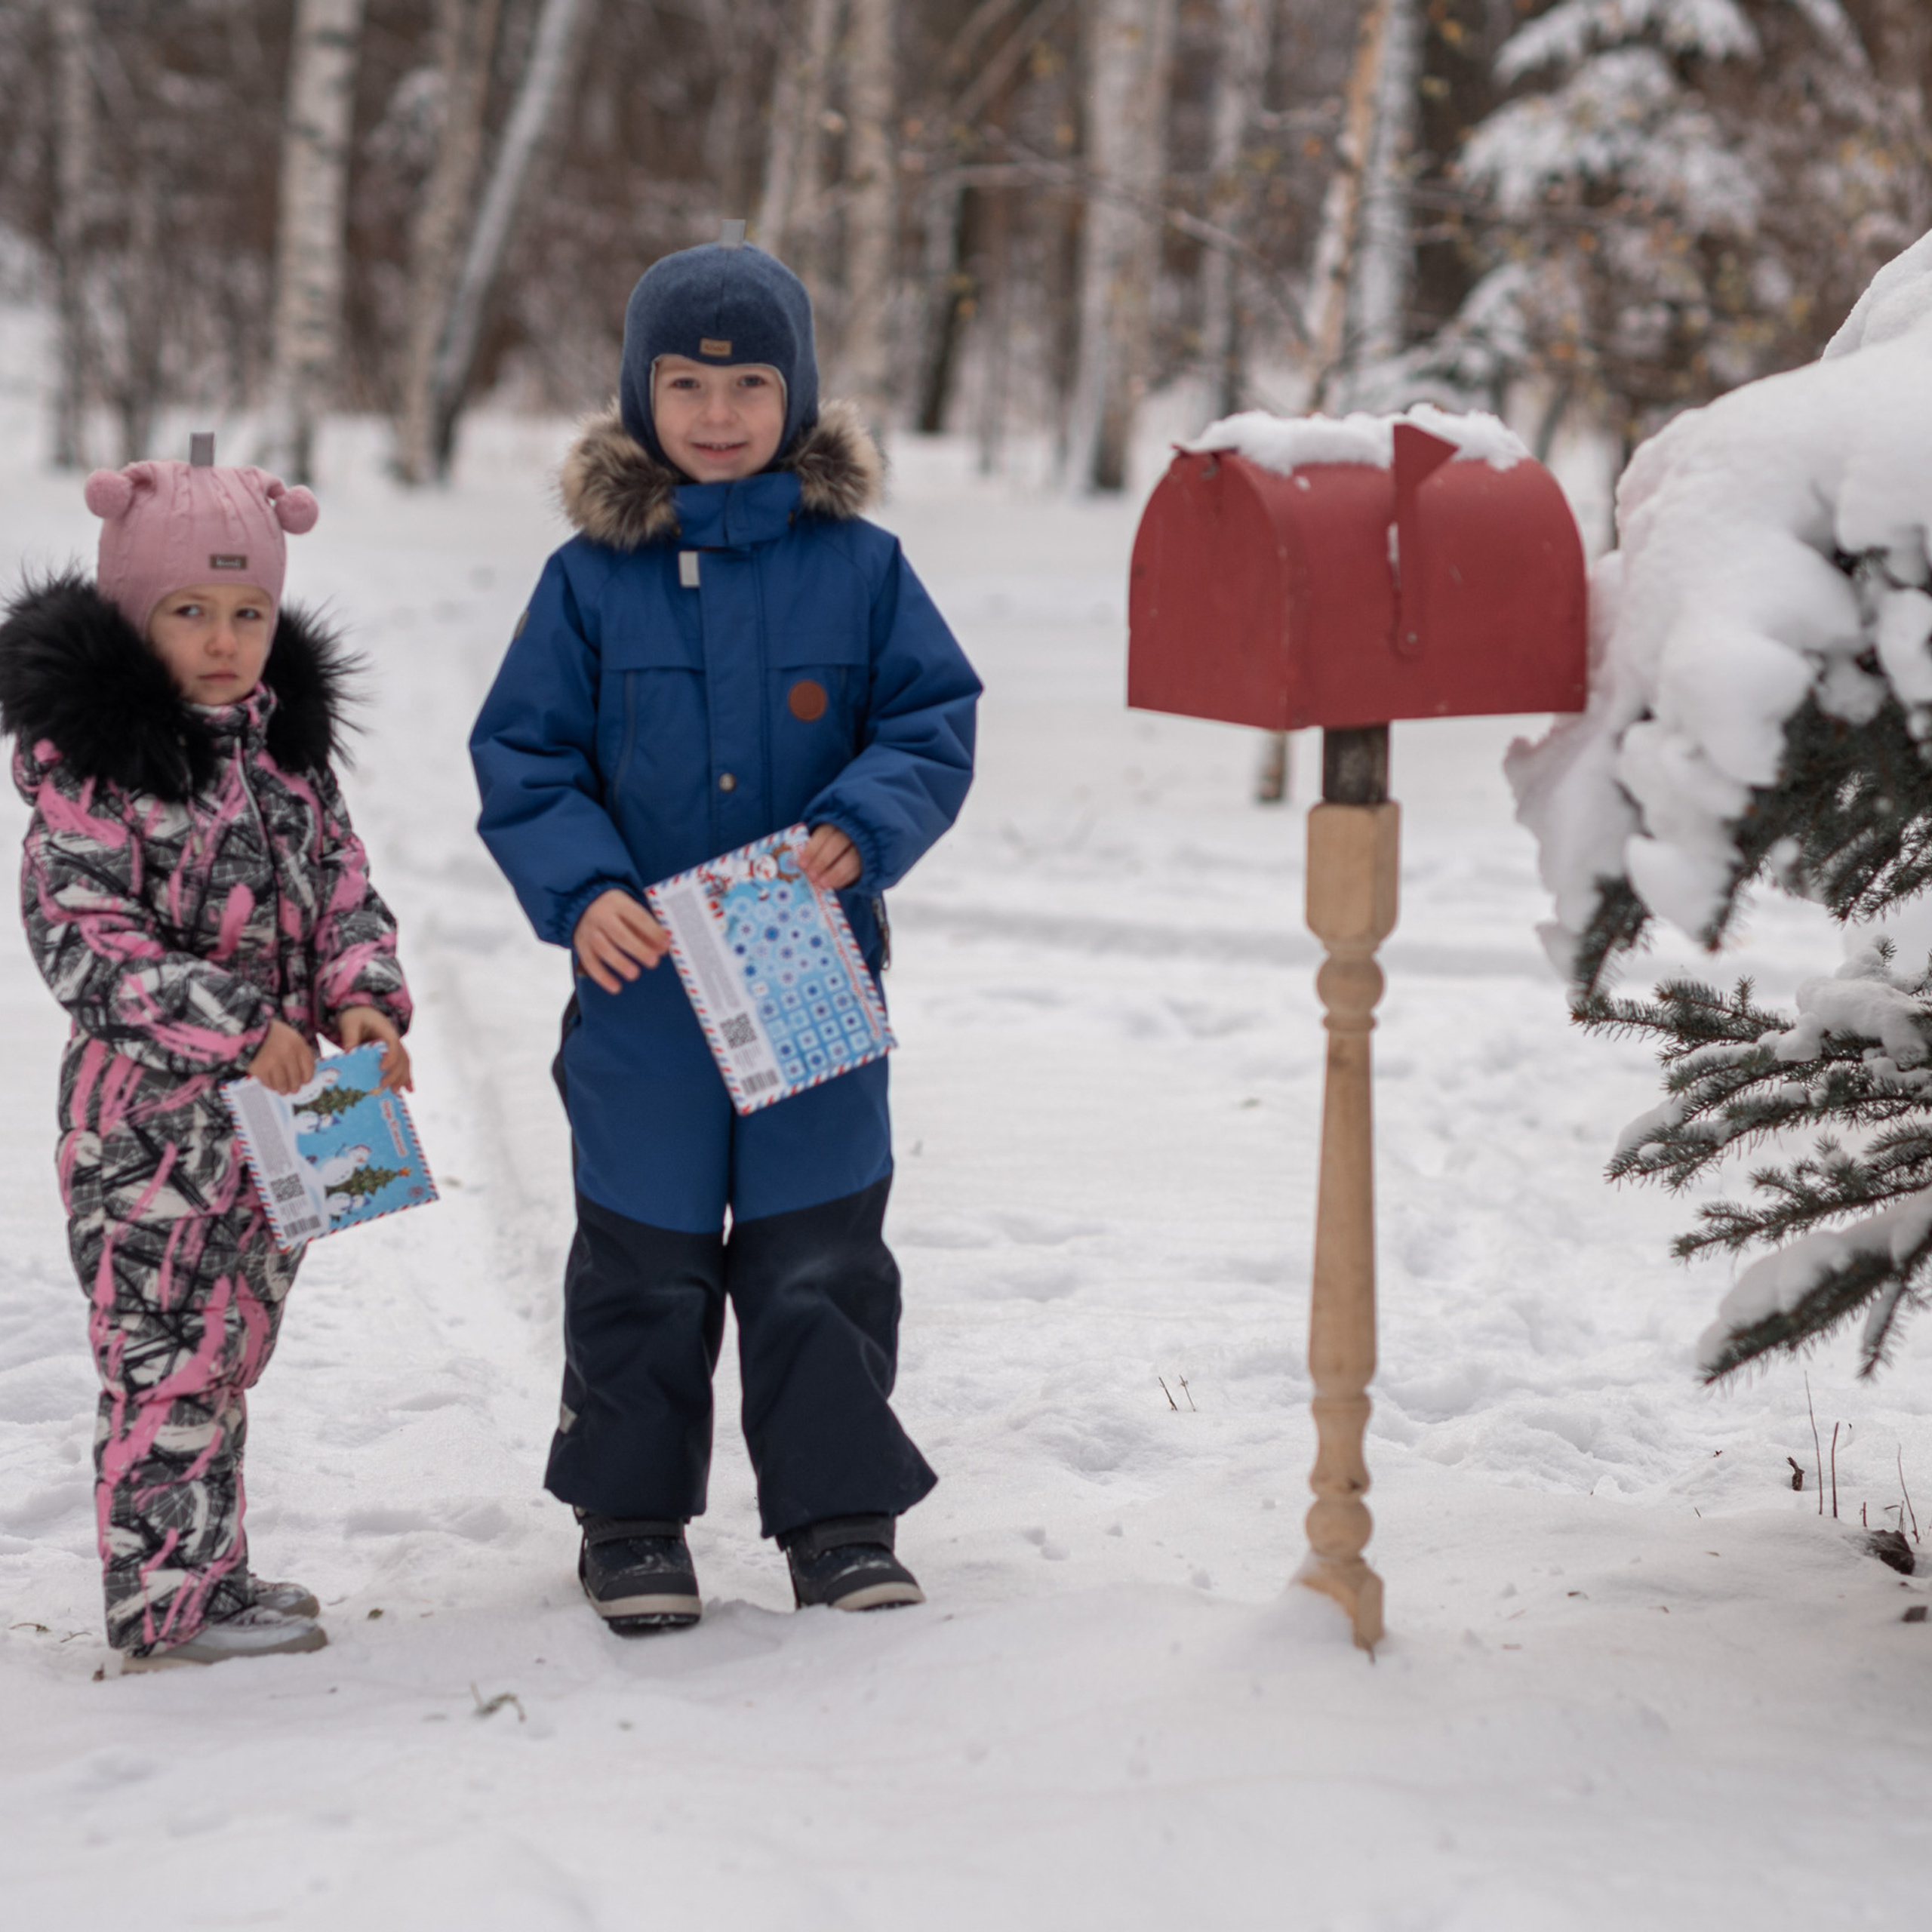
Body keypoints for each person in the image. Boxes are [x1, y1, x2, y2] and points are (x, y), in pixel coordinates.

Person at [471, 236, 980, 1630]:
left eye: (748, 383)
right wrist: (585, 895)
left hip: (807, 970)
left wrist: (863, 825)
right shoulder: (588, 580)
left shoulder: (864, 571)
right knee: (646, 1255)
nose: (715, 413)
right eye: (685, 383)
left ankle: (839, 1518)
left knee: (820, 1250)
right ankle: (630, 1520)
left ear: (796, 394)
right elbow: (526, 755)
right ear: (641, 395)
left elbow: (931, 721)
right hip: (643, 992)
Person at [0, 445, 412, 1670]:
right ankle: (166, 1602)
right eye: (191, 613)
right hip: (152, 1139)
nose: (225, 640)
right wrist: (241, 1026)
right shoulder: (94, 777)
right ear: (135, 616)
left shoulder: (283, 756)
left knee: (227, 1356)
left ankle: (208, 1573)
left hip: (277, 1131)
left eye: (248, 612)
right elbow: (88, 943)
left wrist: (364, 1002)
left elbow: (343, 890)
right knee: (163, 1361)